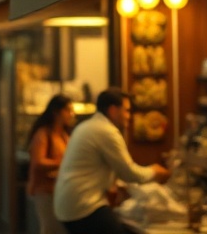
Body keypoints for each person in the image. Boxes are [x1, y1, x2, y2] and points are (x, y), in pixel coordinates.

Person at [54, 88, 171, 234]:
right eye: (127, 111)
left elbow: (101, 169)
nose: (129, 116)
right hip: (83, 207)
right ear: (113, 110)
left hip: (68, 205)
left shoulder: (87, 126)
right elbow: (129, 173)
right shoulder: (107, 131)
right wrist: (155, 171)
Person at [27, 95, 76, 234]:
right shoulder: (43, 134)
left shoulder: (64, 135)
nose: (71, 114)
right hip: (45, 190)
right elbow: (38, 161)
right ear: (56, 112)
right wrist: (62, 163)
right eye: (67, 110)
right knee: (51, 228)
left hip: (60, 189)